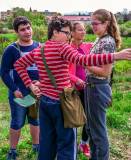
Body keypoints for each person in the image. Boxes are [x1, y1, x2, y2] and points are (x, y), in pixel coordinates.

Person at [14, 16, 131, 160]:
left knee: (46, 144)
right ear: (56, 32)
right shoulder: (63, 48)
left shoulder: (40, 49)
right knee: (67, 146)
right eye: (67, 33)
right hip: (63, 103)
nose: (69, 37)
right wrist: (115, 56)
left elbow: (19, 65)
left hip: (45, 103)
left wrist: (30, 85)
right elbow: (84, 60)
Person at [0, 16, 40, 160]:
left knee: (36, 120)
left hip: (36, 93)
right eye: (22, 30)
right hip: (20, 94)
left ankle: (37, 146)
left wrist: (40, 83)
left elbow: (46, 69)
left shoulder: (39, 47)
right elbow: (3, 72)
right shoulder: (11, 49)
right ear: (16, 32)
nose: (27, 32)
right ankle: (13, 150)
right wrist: (14, 90)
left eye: (28, 28)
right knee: (17, 121)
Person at [84, 9, 121, 160]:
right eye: (91, 23)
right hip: (92, 87)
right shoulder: (100, 38)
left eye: (95, 24)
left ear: (106, 24)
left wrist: (84, 64)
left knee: (98, 131)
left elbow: (105, 72)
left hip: (97, 88)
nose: (92, 27)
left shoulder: (107, 41)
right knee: (91, 128)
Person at [68, 21, 92, 158]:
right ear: (72, 33)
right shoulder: (67, 49)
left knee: (88, 117)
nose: (83, 32)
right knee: (72, 119)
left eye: (84, 30)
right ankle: (71, 145)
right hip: (71, 89)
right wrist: (74, 79)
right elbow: (62, 71)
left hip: (86, 88)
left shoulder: (88, 47)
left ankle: (83, 143)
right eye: (80, 30)